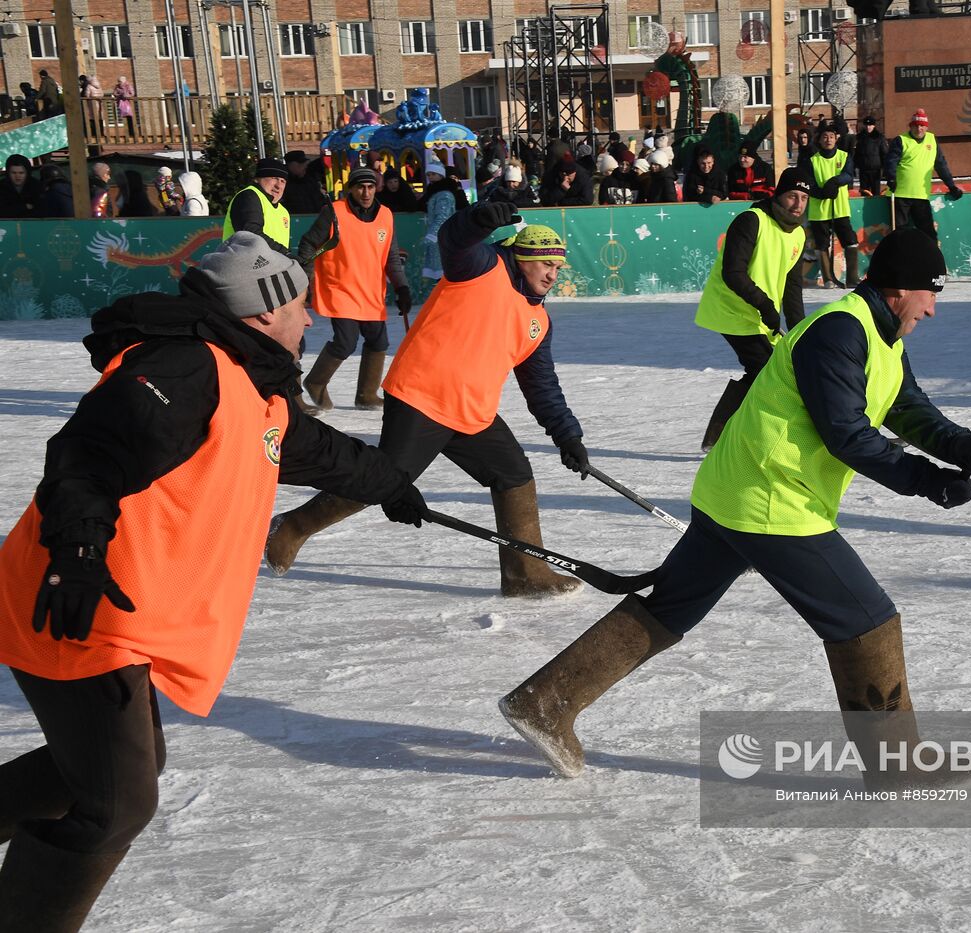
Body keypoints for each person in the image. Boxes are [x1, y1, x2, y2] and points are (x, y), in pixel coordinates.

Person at [0, 233, 427, 930]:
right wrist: (76, 547)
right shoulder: (186, 364)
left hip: (111, 606)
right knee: (118, 800)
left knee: (114, 770)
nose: (312, 319)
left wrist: (390, 483)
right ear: (262, 313)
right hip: (76, 597)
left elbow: (304, 445)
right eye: (301, 305)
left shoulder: (251, 381)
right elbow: (89, 451)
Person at [499, 228, 971, 787]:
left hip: (735, 494)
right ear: (900, 289)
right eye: (931, 294)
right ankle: (897, 764)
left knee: (671, 607)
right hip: (771, 502)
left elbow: (906, 405)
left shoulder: (879, 334)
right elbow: (847, 434)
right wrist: (926, 479)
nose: (932, 309)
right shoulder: (838, 332)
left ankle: (546, 702)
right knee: (865, 619)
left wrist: (958, 445)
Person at [264, 204, 593, 598]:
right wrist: (482, 217)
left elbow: (542, 388)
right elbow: (454, 238)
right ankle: (294, 526)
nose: (554, 275)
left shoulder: (538, 321)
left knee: (514, 475)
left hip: (472, 413)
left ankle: (525, 574)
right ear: (523, 258)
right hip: (422, 397)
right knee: (386, 478)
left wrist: (567, 436)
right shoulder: (479, 267)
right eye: (547, 266)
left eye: (559, 268)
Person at [693, 167, 813, 450]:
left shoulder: (798, 234)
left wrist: (800, 332)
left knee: (770, 370)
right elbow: (733, 273)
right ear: (779, 195)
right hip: (731, 309)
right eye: (792, 196)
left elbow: (792, 289)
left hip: (759, 314)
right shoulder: (751, 220)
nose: (798, 205)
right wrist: (765, 304)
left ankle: (719, 438)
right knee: (764, 370)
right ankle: (726, 439)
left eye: (804, 198)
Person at [296, 166, 413, 414]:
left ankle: (367, 395)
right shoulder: (333, 213)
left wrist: (402, 287)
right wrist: (306, 281)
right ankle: (316, 382)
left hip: (370, 291)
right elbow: (308, 244)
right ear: (351, 189)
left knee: (378, 340)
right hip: (339, 288)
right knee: (346, 342)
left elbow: (391, 257)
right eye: (360, 187)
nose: (366, 192)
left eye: (370, 187)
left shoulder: (386, 216)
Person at [884, 108, 963, 245]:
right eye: (915, 125)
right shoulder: (901, 140)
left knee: (928, 234)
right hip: (900, 194)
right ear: (911, 126)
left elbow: (941, 165)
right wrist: (891, 178)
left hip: (921, 195)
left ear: (926, 127)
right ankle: (902, 262)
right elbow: (891, 161)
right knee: (900, 233)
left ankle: (931, 262)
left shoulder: (932, 140)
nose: (918, 129)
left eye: (921, 126)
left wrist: (951, 185)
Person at [803, 122, 860, 289]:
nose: (828, 140)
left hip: (840, 208)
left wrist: (835, 181)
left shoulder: (844, 156)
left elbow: (849, 175)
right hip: (819, 210)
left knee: (850, 240)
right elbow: (808, 183)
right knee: (822, 244)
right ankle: (828, 278)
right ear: (819, 140)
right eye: (825, 137)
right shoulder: (812, 160)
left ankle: (852, 277)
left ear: (837, 139)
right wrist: (821, 193)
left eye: (831, 137)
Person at [223, 158, 291, 250]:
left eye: (283, 181)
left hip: (272, 263)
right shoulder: (248, 196)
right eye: (274, 178)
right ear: (257, 179)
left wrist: (286, 258)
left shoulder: (283, 212)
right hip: (243, 262)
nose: (278, 186)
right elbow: (251, 234)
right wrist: (285, 253)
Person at [422, 160, 468, 283]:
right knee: (438, 268)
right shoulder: (434, 191)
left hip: (441, 235)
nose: (430, 177)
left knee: (442, 268)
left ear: (440, 175)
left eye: (433, 174)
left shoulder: (444, 194)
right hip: (438, 235)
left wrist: (432, 234)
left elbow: (443, 216)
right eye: (429, 174)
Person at [279, 150, 330, 215]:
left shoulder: (309, 179)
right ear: (292, 165)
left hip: (316, 217)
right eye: (301, 164)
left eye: (304, 163)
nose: (304, 166)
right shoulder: (283, 182)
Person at [854, 116, 889, 197]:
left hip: (875, 169)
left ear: (874, 126)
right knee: (864, 192)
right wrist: (856, 164)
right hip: (863, 169)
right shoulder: (860, 137)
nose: (868, 127)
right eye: (866, 125)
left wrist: (885, 168)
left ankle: (875, 208)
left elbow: (884, 153)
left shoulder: (879, 137)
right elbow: (857, 153)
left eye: (870, 125)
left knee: (875, 192)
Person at [0, 154, 42, 219]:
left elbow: (41, 210)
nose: (17, 176)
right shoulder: (2, 186)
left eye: (21, 173)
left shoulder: (36, 185)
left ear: (27, 173)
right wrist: (25, 207)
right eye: (14, 173)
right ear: (8, 173)